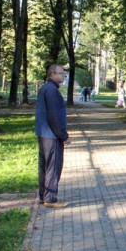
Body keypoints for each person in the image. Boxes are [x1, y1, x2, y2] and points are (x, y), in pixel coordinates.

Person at [35, 64, 72, 208]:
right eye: (61, 73)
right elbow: (54, 116)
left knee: (44, 165)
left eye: (63, 73)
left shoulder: (46, 88)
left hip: (43, 133)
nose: (63, 76)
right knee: (53, 166)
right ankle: (50, 199)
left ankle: (42, 195)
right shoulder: (51, 91)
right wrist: (63, 135)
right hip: (51, 135)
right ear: (52, 74)